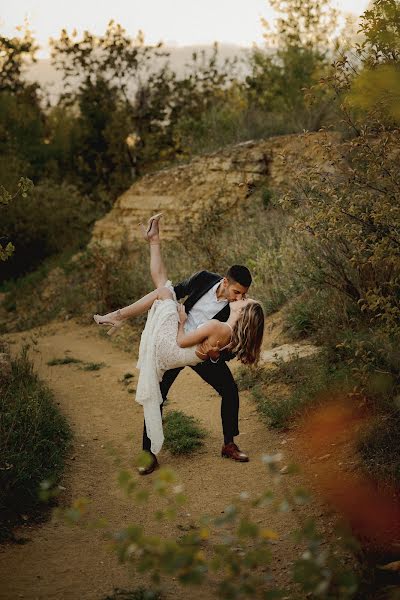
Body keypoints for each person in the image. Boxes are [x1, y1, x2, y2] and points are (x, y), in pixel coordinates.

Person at [93, 214, 264, 474]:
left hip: (201, 352)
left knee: (229, 390)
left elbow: (230, 344)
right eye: (237, 292)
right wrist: (177, 316)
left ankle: (229, 444)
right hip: (176, 342)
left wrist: (216, 355)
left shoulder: (236, 310)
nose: (240, 297)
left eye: (244, 294)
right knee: (156, 394)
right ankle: (148, 454)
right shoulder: (204, 278)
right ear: (225, 282)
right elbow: (178, 290)